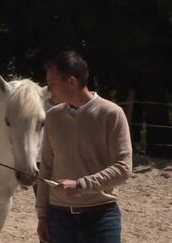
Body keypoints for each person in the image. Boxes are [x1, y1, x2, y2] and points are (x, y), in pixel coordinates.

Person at [35, 50, 132, 243]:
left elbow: (124, 168)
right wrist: (42, 216)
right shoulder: (53, 117)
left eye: (52, 84)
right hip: (59, 218)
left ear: (71, 82)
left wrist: (80, 185)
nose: (49, 90)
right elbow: (45, 167)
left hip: (101, 217)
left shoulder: (112, 114)